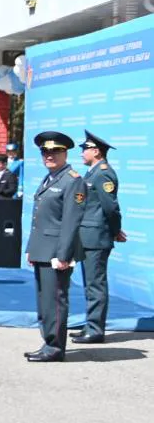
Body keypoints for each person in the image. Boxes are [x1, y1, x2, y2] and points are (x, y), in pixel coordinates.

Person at [24, 131, 86, 362]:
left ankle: (56, 347)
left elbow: (71, 221)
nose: (49, 156)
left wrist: (63, 255)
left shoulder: (72, 180)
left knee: (55, 300)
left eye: (55, 151)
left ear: (65, 153)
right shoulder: (50, 178)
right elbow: (38, 219)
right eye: (45, 152)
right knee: (44, 300)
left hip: (56, 252)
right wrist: (32, 248)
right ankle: (48, 341)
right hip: (43, 249)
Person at [72, 131, 125, 345]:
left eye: (85, 149)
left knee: (96, 285)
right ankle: (90, 323)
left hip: (97, 236)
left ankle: (95, 329)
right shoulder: (92, 173)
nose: (82, 153)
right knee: (89, 284)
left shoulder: (103, 174)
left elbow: (110, 208)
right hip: (88, 236)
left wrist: (115, 231)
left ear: (96, 151)